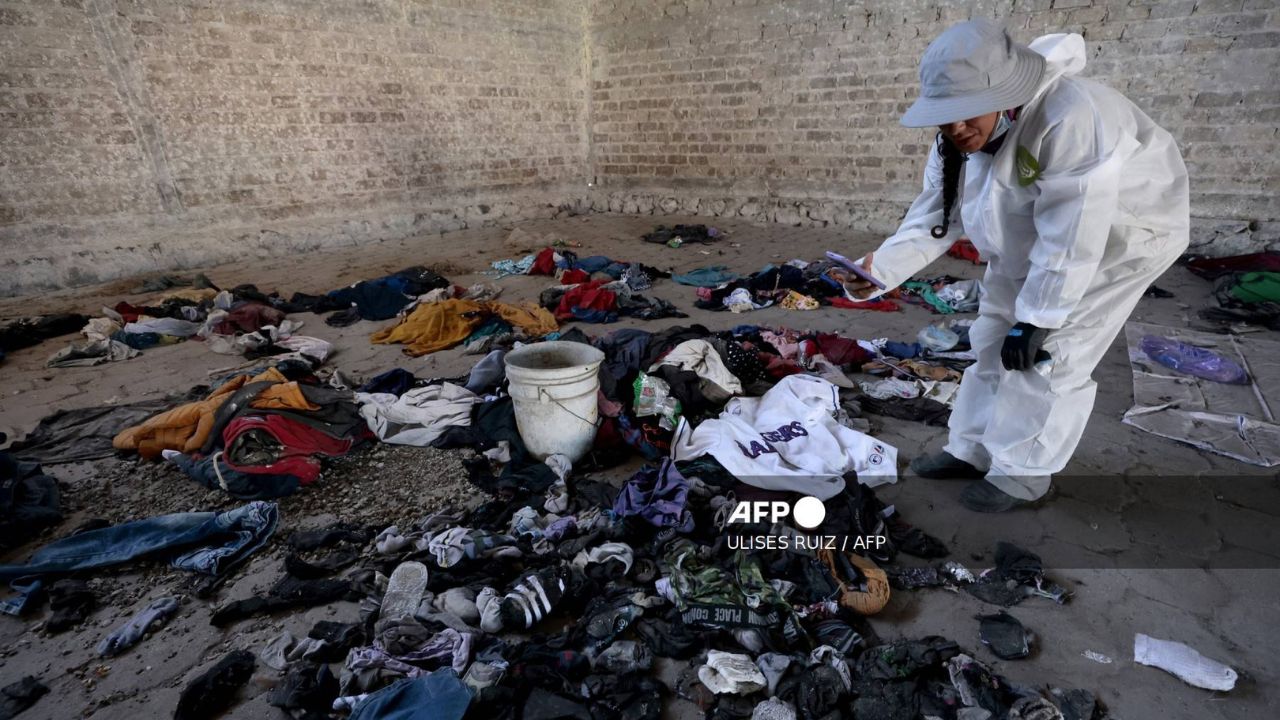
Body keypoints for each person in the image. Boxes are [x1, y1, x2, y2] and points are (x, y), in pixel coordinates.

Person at [843, 20, 1189, 512]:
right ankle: (971, 448)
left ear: (1006, 96)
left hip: (1120, 239)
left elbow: (1076, 232)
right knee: (991, 339)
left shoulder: (1072, 117)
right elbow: (935, 217)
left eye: (965, 116)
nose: (956, 129)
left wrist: (1039, 318)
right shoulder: (956, 138)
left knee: (1047, 355)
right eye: (945, 117)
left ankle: (1023, 471)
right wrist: (874, 271)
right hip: (1030, 241)